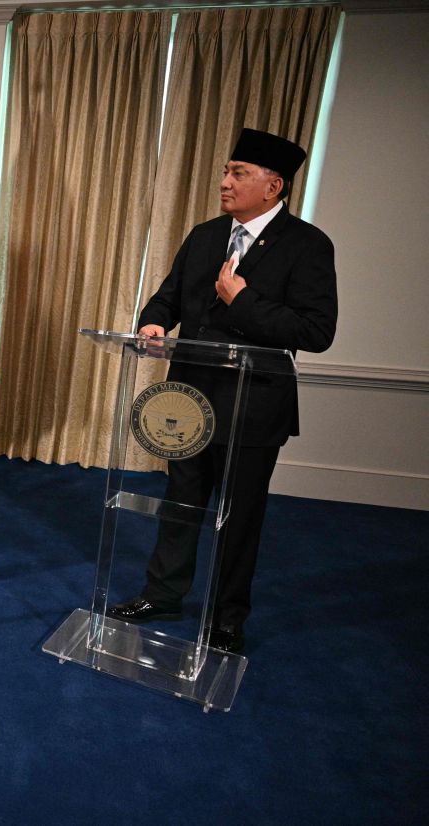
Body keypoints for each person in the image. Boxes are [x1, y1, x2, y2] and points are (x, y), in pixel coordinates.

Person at [107, 128, 338, 654]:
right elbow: (168, 299)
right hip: (187, 403)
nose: (224, 182)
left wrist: (243, 299)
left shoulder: (308, 245)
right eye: (226, 171)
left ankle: (227, 617)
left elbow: (316, 333)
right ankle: (162, 595)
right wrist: (153, 324)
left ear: (273, 185)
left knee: (239, 517)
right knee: (180, 504)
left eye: (238, 173)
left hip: (254, 410)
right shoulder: (206, 235)